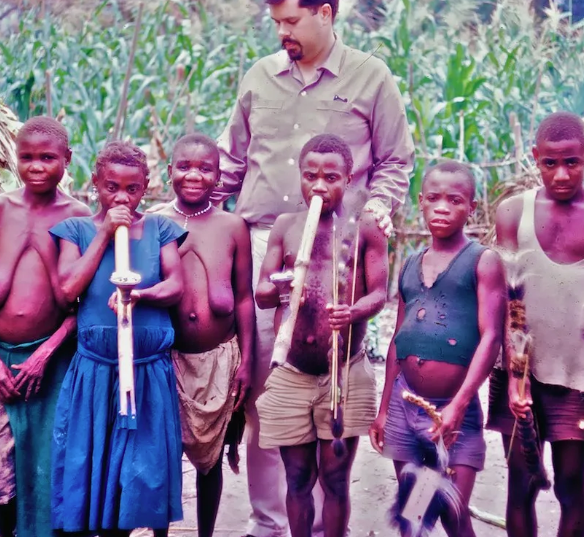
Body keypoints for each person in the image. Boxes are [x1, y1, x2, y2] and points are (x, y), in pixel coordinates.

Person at [214, 0, 414, 537]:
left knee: (332, 385)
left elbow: (396, 162)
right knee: (265, 389)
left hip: (338, 257)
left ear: (326, 14)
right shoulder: (259, 76)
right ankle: (269, 522)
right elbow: (232, 162)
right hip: (261, 249)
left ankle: (329, 525)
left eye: (292, 21)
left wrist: (372, 217)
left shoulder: (371, 77)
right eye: (276, 21)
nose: (282, 32)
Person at [486, 112, 584, 537]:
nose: (561, 174)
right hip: (522, 374)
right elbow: (510, 301)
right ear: (535, 158)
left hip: (580, 376)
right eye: (550, 164)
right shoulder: (513, 213)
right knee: (520, 483)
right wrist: (513, 378)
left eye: (572, 163)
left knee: (569, 484)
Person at [50, 140, 187, 536]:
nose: (121, 197)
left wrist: (138, 294)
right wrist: (106, 233)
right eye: (111, 187)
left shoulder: (161, 228)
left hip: (147, 372)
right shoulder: (76, 230)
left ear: (146, 186)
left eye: (132, 188)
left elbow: (175, 286)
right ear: (94, 183)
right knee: (91, 466)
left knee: (143, 470)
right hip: (95, 372)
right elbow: (66, 290)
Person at [255, 134, 389, 537]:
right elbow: (262, 293)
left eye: (331, 177)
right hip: (292, 371)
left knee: (334, 481)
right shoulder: (285, 226)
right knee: (297, 480)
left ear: (348, 179)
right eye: (310, 175)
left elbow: (381, 293)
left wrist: (352, 312)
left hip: (343, 372)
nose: (319, 185)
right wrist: (282, 283)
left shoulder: (364, 227)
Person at [370, 160, 506, 537]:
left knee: (452, 513)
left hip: (453, 413)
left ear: (471, 209)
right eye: (433, 199)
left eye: (455, 200)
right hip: (406, 405)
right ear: (421, 202)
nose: (442, 207)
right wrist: (384, 410)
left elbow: (492, 336)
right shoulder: (412, 264)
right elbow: (399, 339)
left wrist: (460, 405)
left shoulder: (483, 261)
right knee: (415, 515)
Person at [0, 117, 91, 537]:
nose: (36, 166)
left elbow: (84, 304)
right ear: (14, 158)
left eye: (47, 158)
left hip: (53, 363)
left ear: (67, 160)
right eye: (27, 158)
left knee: (48, 460)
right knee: (0, 465)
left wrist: (46, 352)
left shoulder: (79, 217)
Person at [154, 133, 255, 537]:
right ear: (169, 172)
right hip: (168, 359)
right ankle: (160, 530)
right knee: (164, 455)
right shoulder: (156, 222)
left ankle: (205, 534)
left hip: (219, 358)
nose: (194, 175)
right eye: (184, 167)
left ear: (219, 176)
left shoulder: (232, 227)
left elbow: (245, 299)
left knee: (210, 461)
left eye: (205, 168)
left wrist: (247, 361)